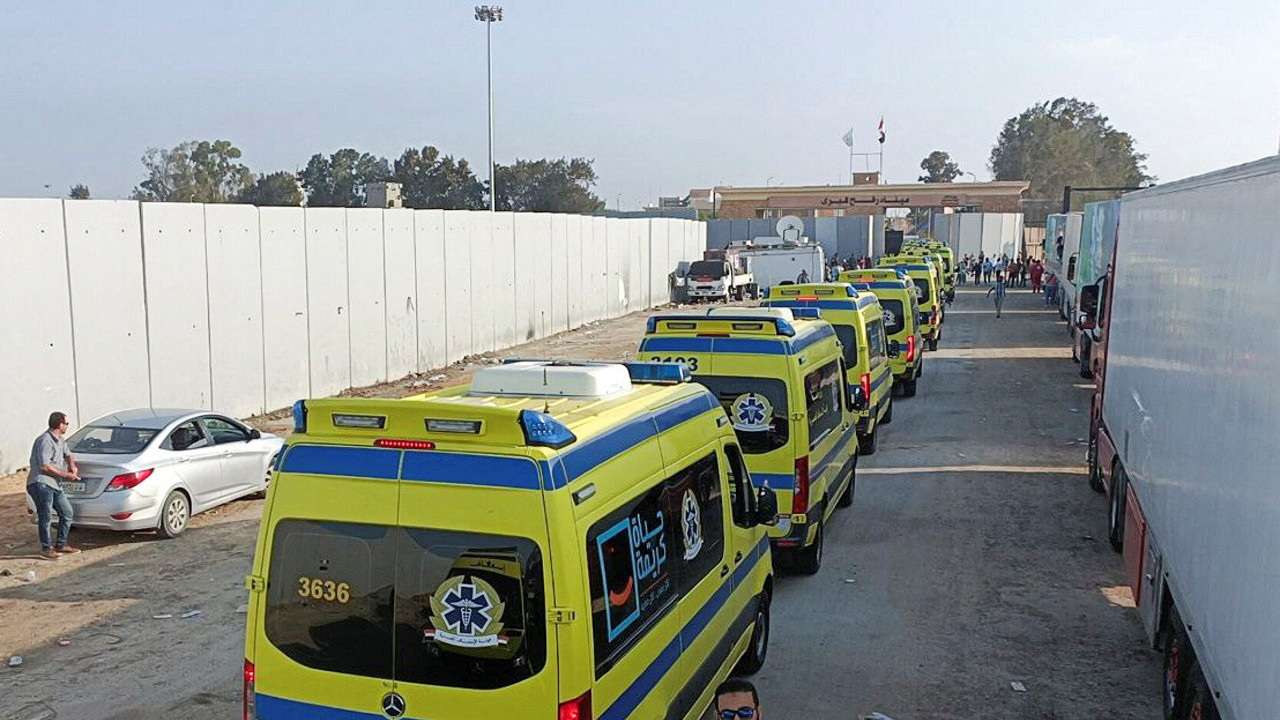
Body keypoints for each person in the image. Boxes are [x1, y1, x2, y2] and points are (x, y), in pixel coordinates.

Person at [27, 411, 81, 559]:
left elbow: (68, 454)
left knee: (67, 512)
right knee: (46, 515)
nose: (67, 426)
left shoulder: (61, 440)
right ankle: (46, 548)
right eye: (66, 423)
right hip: (41, 483)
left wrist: (72, 466)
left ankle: (61, 544)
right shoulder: (44, 440)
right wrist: (66, 475)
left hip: (55, 484)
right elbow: (45, 466)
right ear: (60, 424)